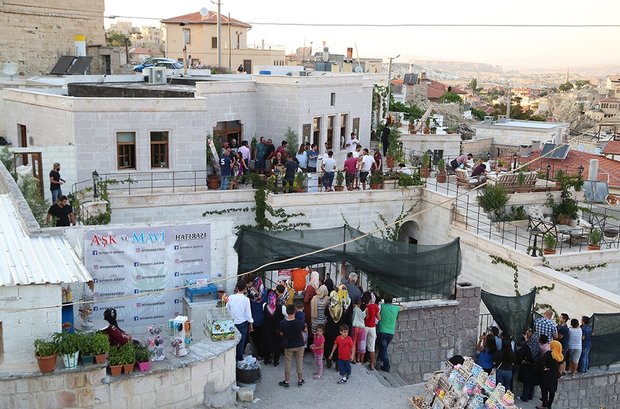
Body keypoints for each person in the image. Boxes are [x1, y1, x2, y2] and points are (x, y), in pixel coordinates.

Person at [278, 304, 306, 388]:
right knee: (299, 361)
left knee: (288, 362)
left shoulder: (282, 323)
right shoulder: (300, 322)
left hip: (288, 345)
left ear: (286, 312)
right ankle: (300, 380)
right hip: (299, 344)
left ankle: (287, 381)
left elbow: (281, 333)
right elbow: (305, 330)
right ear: (295, 311)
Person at [226, 281, 254, 362]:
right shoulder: (246, 300)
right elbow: (248, 314)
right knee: (241, 342)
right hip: (242, 324)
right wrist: (251, 323)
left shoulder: (231, 297)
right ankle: (239, 359)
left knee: (232, 341)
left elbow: (227, 309)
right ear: (245, 289)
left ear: (237, 288)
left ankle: (232, 359)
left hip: (232, 323)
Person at [324, 289, 351, 369]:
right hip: (339, 329)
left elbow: (325, 314)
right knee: (338, 346)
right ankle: (338, 363)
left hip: (329, 328)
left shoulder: (328, 308)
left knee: (329, 344)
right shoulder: (342, 307)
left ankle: (329, 360)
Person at [377, 294, 403, 372]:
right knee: (383, 348)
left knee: (383, 349)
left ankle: (386, 366)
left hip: (382, 331)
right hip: (391, 332)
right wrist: (393, 304)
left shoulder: (382, 306)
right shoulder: (396, 308)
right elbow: (403, 307)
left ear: (384, 300)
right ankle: (378, 362)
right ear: (391, 301)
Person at [537, 339, 563, 409]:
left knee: (544, 390)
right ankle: (549, 406)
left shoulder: (549, 353)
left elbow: (541, 361)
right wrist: (559, 373)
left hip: (547, 374)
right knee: (552, 391)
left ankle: (544, 405)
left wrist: (544, 368)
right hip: (554, 375)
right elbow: (561, 366)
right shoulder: (560, 355)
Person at [262, 288, 284, 366]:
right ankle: (275, 361)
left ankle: (266, 359)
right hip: (277, 328)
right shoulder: (281, 307)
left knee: (267, 343)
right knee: (277, 345)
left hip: (267, 328)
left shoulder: (264, 305)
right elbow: (285, 315)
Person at [517, 329, 537, 402]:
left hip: (527, 365)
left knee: (526, 382)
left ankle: (524, 397)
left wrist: (525, 341)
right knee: (531, 382)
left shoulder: (528, 345)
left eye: (528, 332)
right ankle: (530, 396)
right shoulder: (536, 342)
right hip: (534, 364)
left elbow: (520, 353)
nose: (527, 333)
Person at [247, 277, 265, 359]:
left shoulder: (250, 295)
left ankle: (256, 354)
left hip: (253, 320)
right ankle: (262, 354)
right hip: (263, 319)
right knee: (261, 337)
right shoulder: (265, 294)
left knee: (254, 339)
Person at [363, 291, 381, 370]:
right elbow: (379, 318)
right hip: (372, 328)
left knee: (363, 344)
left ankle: (361, 361)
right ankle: (372, 365)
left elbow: (365, 317)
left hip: (365, 327)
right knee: (372, 348)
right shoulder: (375, 307)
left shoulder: (365, 306)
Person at [303, 271, 320, 347]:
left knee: (308, 325)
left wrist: (304, 293)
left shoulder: (310, 287)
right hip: (315, 309)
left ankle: (308, 344)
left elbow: (306, 300)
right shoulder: (317, 287)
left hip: (308, 309)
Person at [350, 298, 366, 364]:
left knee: (354, 342)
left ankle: (353, 358)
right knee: (360, 343)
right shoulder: (365, 310)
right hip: (362, 328)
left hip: (355, 327)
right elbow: (365, 318)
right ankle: (359, 358)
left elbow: (352, 317)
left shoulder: (354, 309)